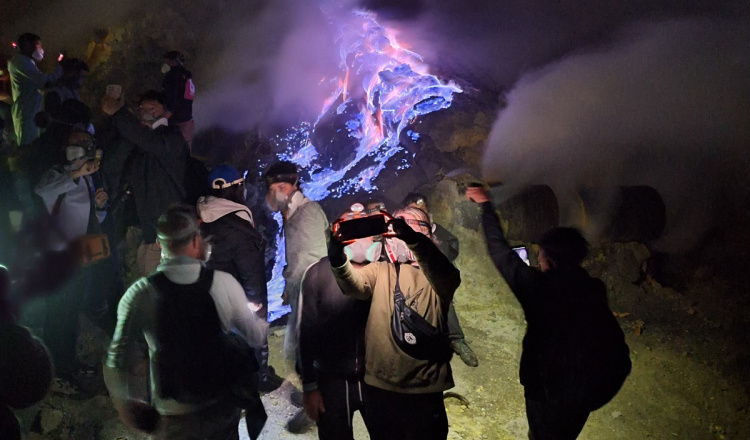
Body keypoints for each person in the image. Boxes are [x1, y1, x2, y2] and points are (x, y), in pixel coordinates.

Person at [465, 186, 630, 440]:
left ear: (550, 259)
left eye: (540, 253)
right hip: (586, 390)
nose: (538, 258)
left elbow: (499, 251)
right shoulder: (592, 288)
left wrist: (487, 206)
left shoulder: (539, 287)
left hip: (549, 389)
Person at [104, 204, 268, 440]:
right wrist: (253, 317)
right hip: (221, 411)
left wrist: (128, 407)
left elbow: (116, 360)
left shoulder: (139, 294)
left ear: (160, 244)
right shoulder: (223, 283)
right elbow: (254, 336)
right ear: (195, 239)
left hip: (173, 418)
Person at [328, 207, 461, 440]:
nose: (400, 228)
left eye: (410, 223)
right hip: (381, 389)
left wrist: (412, 239)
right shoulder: (381, 270)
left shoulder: (437, 275)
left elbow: (444, 273)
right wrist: (337, 257)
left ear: (427, 233)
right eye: (398, 223)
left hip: (425, 389)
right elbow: (353, 285)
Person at [197, 164, 285, 393]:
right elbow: (250, 267)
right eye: (240, 185)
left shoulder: (205, 215)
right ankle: (258, 379)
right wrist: (255, 299)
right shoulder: (236, 226)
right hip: (239, 294)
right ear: (234, 188)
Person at [34, 128, 111, 388]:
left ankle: (63, 363)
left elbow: (92, 220)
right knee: (59, 313)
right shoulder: (58, 173)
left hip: (79, 257)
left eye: (82, 142)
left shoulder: (89, 179)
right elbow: (43, 189)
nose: (76, 145)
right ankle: (57, 366)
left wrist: (99, 206)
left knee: (69, 311)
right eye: (72, 141)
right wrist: (78, 172)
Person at [298, 211, 376, 439]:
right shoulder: (317, 274)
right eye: (352, 233)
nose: (361, 240)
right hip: (331, 379)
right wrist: (310, 386)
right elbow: (306, 331)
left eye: (367, 233)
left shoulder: (384, 270)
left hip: (377, 379)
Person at [263, 160, 328, 433]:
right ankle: (314, 398)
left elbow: (309, 262)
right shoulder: (295, 213)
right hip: (305, 292)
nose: (272, 194)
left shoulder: (306, 215)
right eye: (271, 188)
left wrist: (294, 286)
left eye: (277, 187)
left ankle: (318, 409)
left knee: (308, 351)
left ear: (287, 186)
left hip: (313, 296)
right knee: (301, 349)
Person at [102, 89, 195, 276]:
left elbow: (151, 142)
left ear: (167, 114)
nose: (145, 112)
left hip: (170, 236)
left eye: (152, 108)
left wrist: (120, 114)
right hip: (147, 233)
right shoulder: (139, 141)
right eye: (142, 108)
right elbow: (113, 163)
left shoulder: (171, 137)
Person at [401, 192, 479, 367]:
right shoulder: (401, 230)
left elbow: (452, 247)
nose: (418, 214)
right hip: (406, 275)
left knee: (443, 301)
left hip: (431, 276)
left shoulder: (435, 230)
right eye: (413, 210)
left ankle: (456, 339)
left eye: (422, 210)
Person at [8, 33, 62, 147]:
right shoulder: (21, 62)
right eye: (38, 46)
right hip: (26, 113)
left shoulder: (26, 62)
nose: (41, 50)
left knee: (32, 145)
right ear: (28, 46)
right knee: (27, 147)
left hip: (30, 111)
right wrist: (59, 68)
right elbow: (44, 82)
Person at [161, 51, 195, 148]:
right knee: (186, 150)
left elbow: (171, 95)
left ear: (173, 61)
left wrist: (169, 111)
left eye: (167, 60)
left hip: (176, 120)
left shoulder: (173, 76)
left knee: (172, 149)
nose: (165, 62)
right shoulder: (187, 77)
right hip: (187, 119)